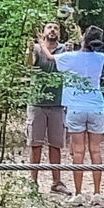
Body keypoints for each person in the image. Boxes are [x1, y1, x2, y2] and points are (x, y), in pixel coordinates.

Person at [40, 25, 104, 206]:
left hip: (76, 107)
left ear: (84, 39)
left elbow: (50, 57)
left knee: (78, 151)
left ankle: (78, 193)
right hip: (96, 107)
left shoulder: (70, 57)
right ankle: (97, 192)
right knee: (96, 150)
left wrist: (41, 43)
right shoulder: (101, 58)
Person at [25, 22, 69, 194]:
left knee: (56, 144)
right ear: (43, 32)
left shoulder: (65, 50)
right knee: (35, 143)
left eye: (56, 28)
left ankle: (57, 182)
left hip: (58, 103)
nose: (52, 30)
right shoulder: (35, 48)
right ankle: (32, 182)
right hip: (37, 102)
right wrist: (29, 50)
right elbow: (28, 64)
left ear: (59, 32)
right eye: (49, 27)